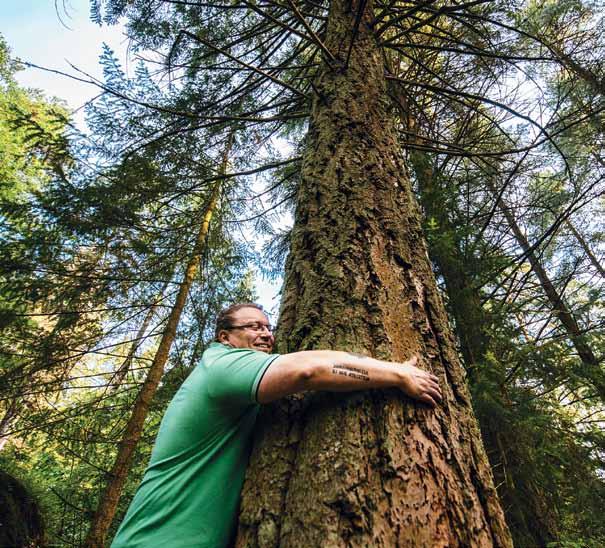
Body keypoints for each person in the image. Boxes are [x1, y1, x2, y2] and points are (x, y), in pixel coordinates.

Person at [110, 303, 442, 547]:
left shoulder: (229, 378)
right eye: (253, 326)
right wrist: (397, 373)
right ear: (225, 336)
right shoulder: (222, 366)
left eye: (268, 328)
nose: (266, 335)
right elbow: (308, 370)